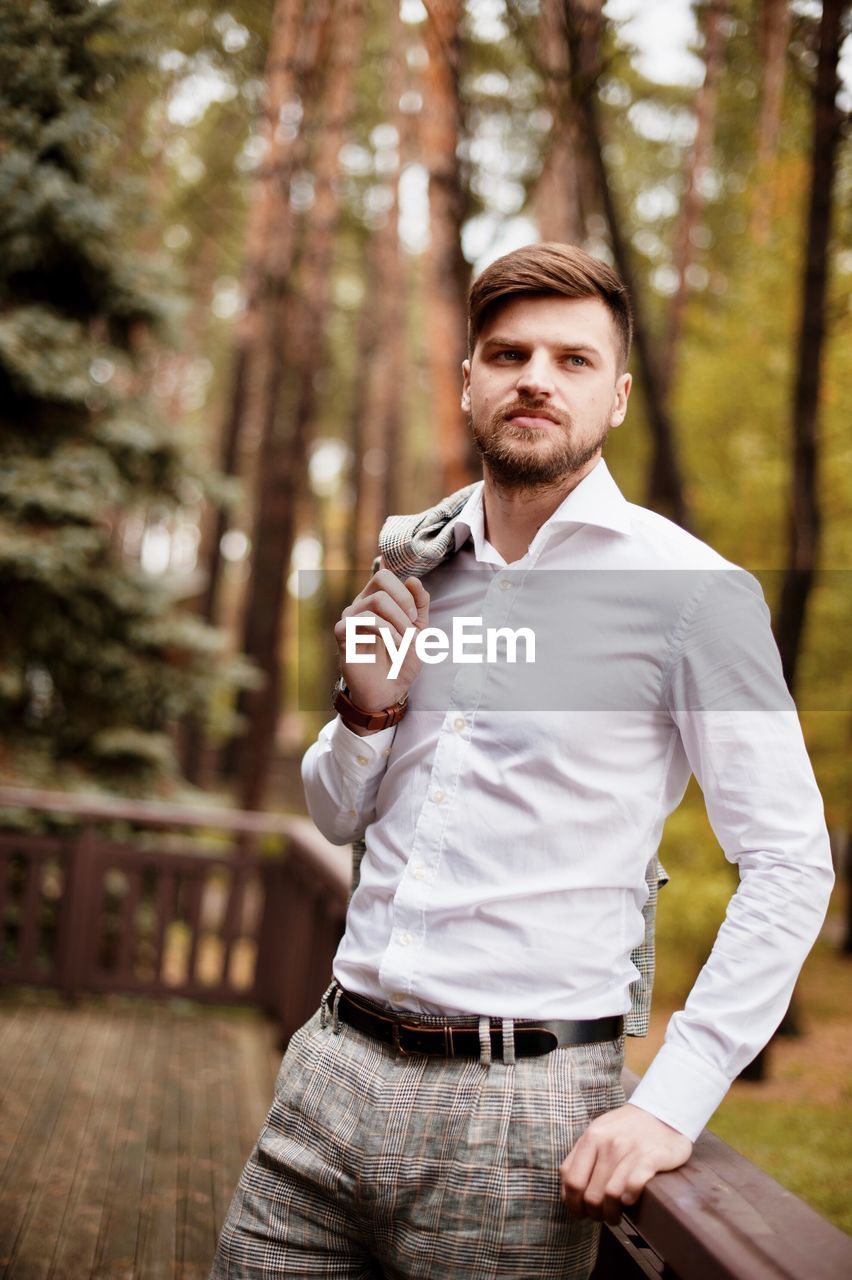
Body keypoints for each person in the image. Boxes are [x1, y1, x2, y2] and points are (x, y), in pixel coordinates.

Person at [210, 243, 833, 1280]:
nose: (537, 376)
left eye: (573, 360)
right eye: (509, 353)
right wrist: (366, 710)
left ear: (619, 395)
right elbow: (330, 811)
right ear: (469, 381)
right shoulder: (414, 561)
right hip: (326, 1074)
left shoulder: (692, 592)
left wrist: (672, 1100)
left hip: (524, 1115)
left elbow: (790, 861)